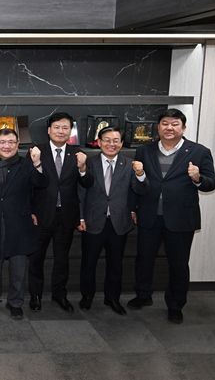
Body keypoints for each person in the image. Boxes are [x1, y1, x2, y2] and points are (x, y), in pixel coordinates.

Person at [127, 109, 215, 324]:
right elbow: (137, 182)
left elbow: (210, 183)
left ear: (183, 128)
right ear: (158, 127)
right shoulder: (144, 151)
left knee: (178, 264)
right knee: (144, 259)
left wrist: (197, 178)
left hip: (181, 218)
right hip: (149, 215)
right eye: (165, 123)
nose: (169, 127)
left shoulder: (199, 151)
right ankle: (143, 295)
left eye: (175, 124)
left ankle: (176, 305)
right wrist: (133, 208)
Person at [77, 127, 148, 315]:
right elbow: (81, 192)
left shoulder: (130, 165)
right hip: (93, 221)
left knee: (116, 264)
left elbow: (140, 190)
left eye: (116, 140)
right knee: (88, 262)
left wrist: (141, 174)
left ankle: (112, 298)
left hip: (119, 222)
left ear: (121, 144)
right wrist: (81, 216)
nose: (111, 144)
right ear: (99, 142)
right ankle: (87, 296)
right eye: (107, 140)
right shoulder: (88, 163)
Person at [28, 112, 93, 313]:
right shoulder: (36, 151)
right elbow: (29, 185)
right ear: (49, 130)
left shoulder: (78, 153)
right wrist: (30, 211)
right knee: (36, 258)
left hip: (66, 216)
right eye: (57, 127)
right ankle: (35, 295)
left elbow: (87, 184)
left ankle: (59, 295)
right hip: (41, 216)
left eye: (65, 128)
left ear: (70, 131)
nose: (61, 131)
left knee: (62, 259)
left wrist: (83, 168)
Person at [0, 129, 47, 319]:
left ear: (18, 144)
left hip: (20, 224)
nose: (6, 146)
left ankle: (16, 302)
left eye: (11, 142)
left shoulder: (27, 165)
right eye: (2, 142)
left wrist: (37, 163)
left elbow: (41, 184)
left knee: (18, 269)